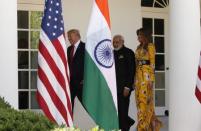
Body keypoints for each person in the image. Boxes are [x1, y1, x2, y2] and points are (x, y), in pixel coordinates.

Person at [135, 28, 162, 131]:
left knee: (144, 102)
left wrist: (151, 79)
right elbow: (136, 63)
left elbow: (153, 63)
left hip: (146, 78)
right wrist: (134, 80)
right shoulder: (138, 47)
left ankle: (142, 128)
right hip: (138, 77)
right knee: (139, 102)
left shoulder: (150, 46)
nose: (138, 37)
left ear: (145, 36)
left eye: (140, 35)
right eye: (137, 36)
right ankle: (149, 126)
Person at [113, 35, 135, 131]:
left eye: (117, 41)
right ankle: (127, 123)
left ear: (122, 41)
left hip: (124, 88)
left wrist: (128, 87)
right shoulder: (111, 53)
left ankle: (125, 128)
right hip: (114, 88)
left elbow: (131, 70)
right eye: (114, 42)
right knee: (117, 112)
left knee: (123, 111)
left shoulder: (128, 52)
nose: (115, 43)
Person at [67, 29, 85, 108]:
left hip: (82, 84)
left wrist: (86, 79)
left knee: (89, 107)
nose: (69, 39)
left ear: (77, 36)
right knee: (68, 106)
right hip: (70, 84)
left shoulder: (86, 47)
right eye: (68, 37)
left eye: (70, 36)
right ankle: (68, 121)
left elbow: (90, 66)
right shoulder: (69, 49)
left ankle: (101, 120)